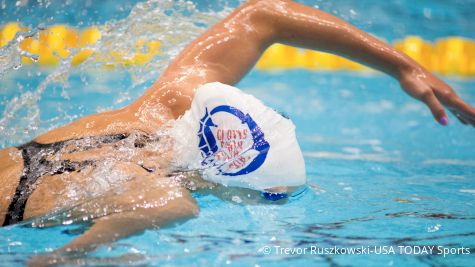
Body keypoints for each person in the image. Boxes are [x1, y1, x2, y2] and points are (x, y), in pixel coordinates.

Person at [1, 0, 474, 263]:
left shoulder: (163, 106)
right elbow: (172, 205)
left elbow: (261, 16)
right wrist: (75, 254)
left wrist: (404, 69)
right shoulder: (157, 186)